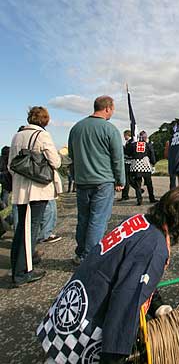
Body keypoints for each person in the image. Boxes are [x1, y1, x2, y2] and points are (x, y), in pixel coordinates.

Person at [37, 187, 179, 364]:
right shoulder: (155, 247)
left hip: (68, 311)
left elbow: (128, 273)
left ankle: (58, 361)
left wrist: (157, 304)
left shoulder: (141, 221)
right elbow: (124, 311)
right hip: (88, 324)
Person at [8, 106, 62, 286]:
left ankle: (19, 265)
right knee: (30, 230)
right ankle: (23, 273)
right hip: (37, 189)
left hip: (20, 188)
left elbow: (11, 165)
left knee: (22, 229)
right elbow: (56, 161)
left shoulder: (17, 135)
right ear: (45, 120)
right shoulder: (42, 135)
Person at [68, 96, 125, 266]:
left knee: (83, 218)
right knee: (98, 220)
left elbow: (71, 154)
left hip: (82, 180)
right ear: (107, 108)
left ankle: (80, 252)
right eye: (113, 109)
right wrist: (120, 179)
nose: (112, 112)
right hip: (103, 181)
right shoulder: (110, 129)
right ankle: (89, 258)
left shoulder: (76, 128)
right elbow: (117, 158)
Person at [125, 130, 156, 205]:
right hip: (145, 164)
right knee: (149, 183)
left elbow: (128, 153)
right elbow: (151, 155)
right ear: (145, 137)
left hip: (136, 164)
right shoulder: (148, 145)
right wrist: (153, 163)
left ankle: (139, 200)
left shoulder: (133, 144)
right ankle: (151, 198)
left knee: (138, 183)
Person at [119, 130, 133, 201]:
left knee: (126, 180)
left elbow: (129, 153)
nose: (124, 137)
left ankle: (125, 195)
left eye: (125, 135)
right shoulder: (129, 142)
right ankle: (138, 189)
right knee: (130, 179)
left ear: (127, 135)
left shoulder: (130, 143)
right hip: (128, 162)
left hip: (128, 162)